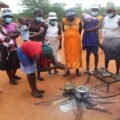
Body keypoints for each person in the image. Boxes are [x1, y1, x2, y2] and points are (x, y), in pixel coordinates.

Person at [27, 8, 47, 81]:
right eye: (38, 15)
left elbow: (42, 34)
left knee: (38, 60)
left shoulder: (43, 24)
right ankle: (31, 75)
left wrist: (30, 36)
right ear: (34, 14)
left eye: (41, 15)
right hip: (29, 44)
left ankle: (38, 75)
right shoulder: (28, 21)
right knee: (30, 60)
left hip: (39, 43)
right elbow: (23, 29)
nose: (40, 16)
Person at [1, 9, 21, 85]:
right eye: (6, 16)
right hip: (5, 47)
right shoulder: (1, 25)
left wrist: (10, 35)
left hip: (14, 46)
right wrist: (8, 37)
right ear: (3, 17)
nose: (8, 18)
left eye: (9, 16)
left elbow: (17, 34)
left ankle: (14, 75)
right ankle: (11, 79)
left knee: (15, 62)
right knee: (8, 64)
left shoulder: (14, 24)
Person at [62, 9, 82, 76]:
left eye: (71, 15)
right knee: (67, 55)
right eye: (68, 16)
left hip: (76, 42)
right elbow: (63, 30)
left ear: (74, 15)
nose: (70, 17)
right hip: (67, 42)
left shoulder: (78, 21)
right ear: (67, 16)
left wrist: (74, 35)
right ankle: (67, 70)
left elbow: (80, 30)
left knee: (76, 54)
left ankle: (77, 70)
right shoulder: (64, 21)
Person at [102, 2, 120, 74]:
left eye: (110, 11)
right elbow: (105, 27)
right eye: (107, 11)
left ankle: (117, 72)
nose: (109, 12)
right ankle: (106, 70)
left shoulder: (119, 18)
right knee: (107, 56)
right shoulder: (105, 18)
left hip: (116, 40)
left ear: (114, 11)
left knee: (117, 57)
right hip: (107, 40)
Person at [45, 12, 62, 76]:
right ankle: (49, 71)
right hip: (48, 42)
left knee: (55, 56)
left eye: (54, 19)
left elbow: (60, 34)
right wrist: (45, 38)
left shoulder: (58, 24)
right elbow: (43, 34)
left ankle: (56, 70)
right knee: (48, 56)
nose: (53, 21)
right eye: (52, 20)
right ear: (49, 19)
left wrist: (60, 43)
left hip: (55, 42)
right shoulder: (46, 25)